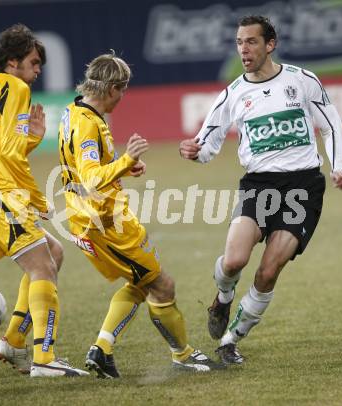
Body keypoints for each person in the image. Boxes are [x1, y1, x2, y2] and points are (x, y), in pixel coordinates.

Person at [179, 15, 342, 364]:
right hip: (258, 185)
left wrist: (338, 166)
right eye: (240, 42)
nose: (244, 48)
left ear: (270, 45)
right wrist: (194, 152)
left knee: (269, 270)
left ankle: (230, 340)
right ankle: (223, 298)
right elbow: (206, 144)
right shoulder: (233, 94)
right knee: (234, 262)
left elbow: (330, 126)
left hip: (303, 187)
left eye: (252, 41)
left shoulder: (302, 81)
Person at [58, 51, 225, 378]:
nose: (123, 97)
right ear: (111, 88)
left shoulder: (75, 110)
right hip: (105, 223)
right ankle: (183, 355)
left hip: (87, 217)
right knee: (162, 286)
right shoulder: (88, 122)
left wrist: (124, 167)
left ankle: (102, 349)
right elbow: (91, 176)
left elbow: (81, 169)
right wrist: (124, 161)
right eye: (122, 90)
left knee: (139, 281)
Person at [0, 23, 88, 378]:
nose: (38, 70)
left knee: (52, 252)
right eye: (34, 62)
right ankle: (45, 358)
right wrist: (37, 198)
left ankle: (13, 340)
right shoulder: (14, 87)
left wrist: (31, 139)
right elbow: (9, 156)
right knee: (41, 266)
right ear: (12, 63)